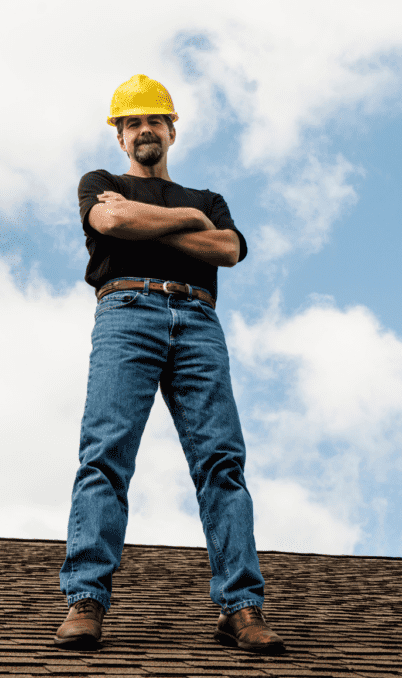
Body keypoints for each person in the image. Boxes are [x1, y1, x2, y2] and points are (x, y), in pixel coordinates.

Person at [55, 74, 284, 654]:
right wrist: (189, 225)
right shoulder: (101, 185)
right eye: (132, 122)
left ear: (172, 129)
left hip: (198, 319)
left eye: (153, 120)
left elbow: (228, 249)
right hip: (126, 310)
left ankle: (242, 609)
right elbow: (109, 223)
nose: (144, 130)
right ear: (120, 136)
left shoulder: (208, 198)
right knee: (105, 455)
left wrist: (149, 220)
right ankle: (86, 601)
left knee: (222, 463)